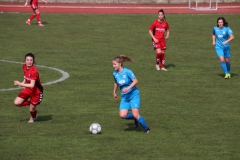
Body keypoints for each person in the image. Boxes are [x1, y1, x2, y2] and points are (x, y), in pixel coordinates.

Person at [112, 55, 150, 133]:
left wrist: (128, 88)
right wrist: (114, 92)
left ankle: (146, 129)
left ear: (120, 64)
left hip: (134, 95)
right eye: (113, 64)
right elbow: (116, 82)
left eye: (115, 64)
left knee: (136, 114)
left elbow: (136, 81)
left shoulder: (127, 71)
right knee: (122, 115)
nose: (113, 66)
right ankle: (136, 118)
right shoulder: (115, 74)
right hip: (125, 97)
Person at [14, 53, 43, 123]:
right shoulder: (24, 66)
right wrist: (23, 82)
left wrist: (20, 83)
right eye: (27, 60)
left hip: (36, 92)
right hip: (28, 90)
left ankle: (33, 117)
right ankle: (32, 104)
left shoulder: (34, 71)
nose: (29, 62)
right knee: (17, 103)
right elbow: (26, 76)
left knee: (31, 110)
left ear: (33, 61)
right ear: (25, 61)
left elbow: (32, 85)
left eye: (31, 60)